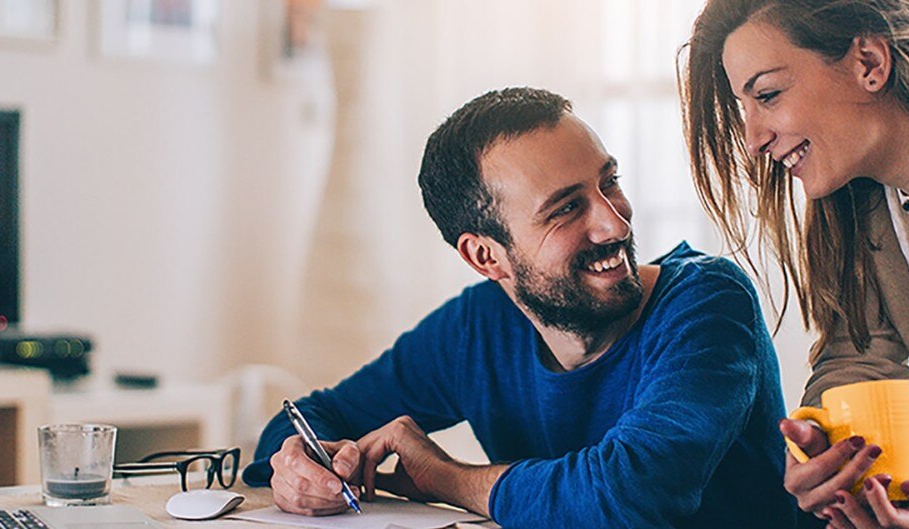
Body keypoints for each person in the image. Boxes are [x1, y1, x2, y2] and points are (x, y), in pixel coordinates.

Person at [240, 87, 795, 527]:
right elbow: (308, 422)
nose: (615, 223)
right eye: (566, 209)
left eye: (610, 183)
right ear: (486, 256)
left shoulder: (707, 303)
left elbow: (634, 495)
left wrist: (445, 478)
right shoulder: (476, 328)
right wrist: (299, 466)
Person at [680, 0, 909, 528]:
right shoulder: (866, 196)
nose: (754, 138)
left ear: (869, 64)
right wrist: (829, 451)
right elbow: (858, 352)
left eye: (767, 95)